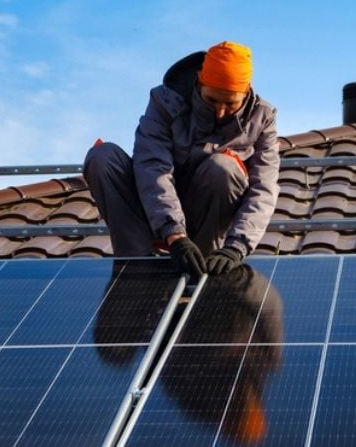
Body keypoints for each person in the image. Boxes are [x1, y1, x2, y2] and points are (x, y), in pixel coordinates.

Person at [83, 41, 279, 277]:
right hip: (153, 212)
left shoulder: (262, 118)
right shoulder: (165, 101)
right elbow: (153, 167)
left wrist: (236, 247)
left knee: (223, 167)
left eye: (230, 103)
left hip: (207, 221)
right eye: (212, 100)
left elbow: (264, 188)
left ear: (246, 92)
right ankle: (136, 265)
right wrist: (174, 234)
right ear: (199, 83)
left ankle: (203, 267)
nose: (220, 111)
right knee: (102, 157)